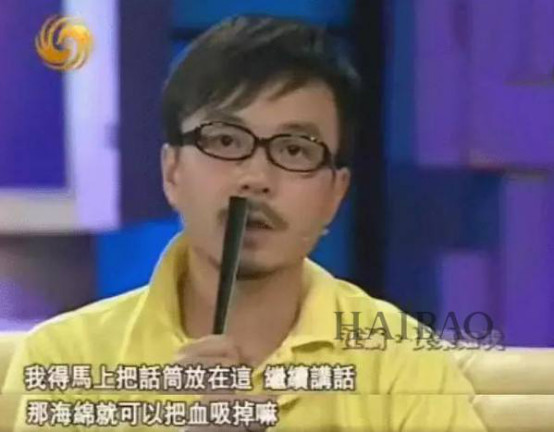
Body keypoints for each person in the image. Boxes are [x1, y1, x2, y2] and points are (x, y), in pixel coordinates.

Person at [3, 15, 487, 432]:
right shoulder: (68, 357)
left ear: (335, 195)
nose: (255, 178)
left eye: (295, 150)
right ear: (172, 172)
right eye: (226, 142)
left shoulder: (400, 363)